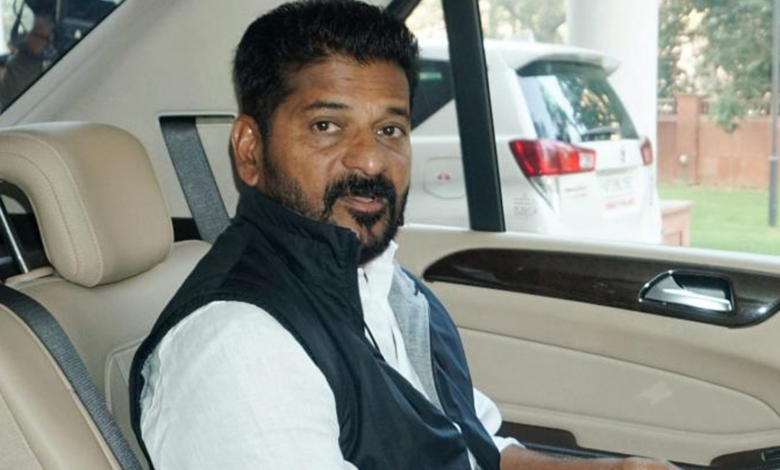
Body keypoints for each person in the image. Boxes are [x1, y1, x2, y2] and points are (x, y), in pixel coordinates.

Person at [129, 2, 680, 469]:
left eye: (390, 129)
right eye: (327, 126)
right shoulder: (240, 345)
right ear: (250, 150)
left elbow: (475, 447)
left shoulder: (389, 288)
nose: (371, 159)